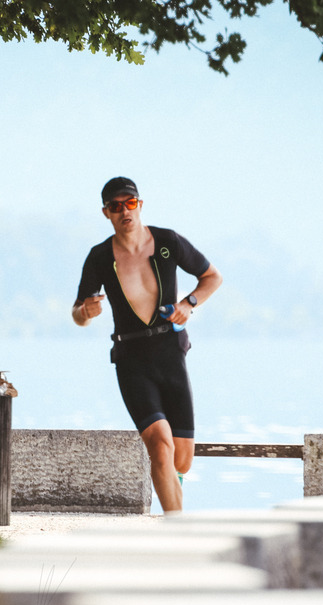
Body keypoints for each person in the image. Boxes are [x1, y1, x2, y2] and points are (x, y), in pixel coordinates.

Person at [72, 177, 222, 514]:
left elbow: (212, 277)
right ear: (106, 213)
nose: (124, 210)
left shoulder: (167, 241)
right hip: (131, 360)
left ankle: (176, 512)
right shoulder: (99, 257)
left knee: (181, 460)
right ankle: (177, 532)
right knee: (159, 443)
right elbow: (77, 313)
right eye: (115, 206)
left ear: (140, 204)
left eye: (130, 202)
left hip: (170, 354)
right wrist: (86, 311)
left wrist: (189, 303)